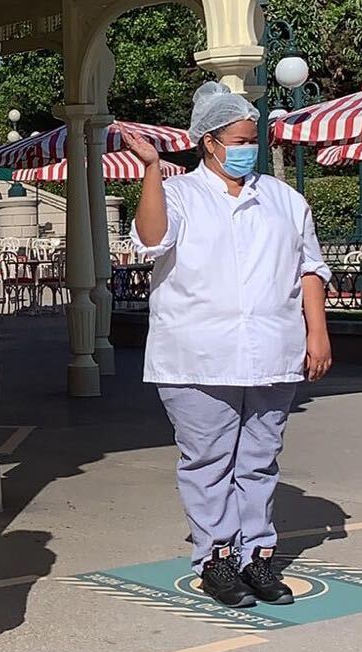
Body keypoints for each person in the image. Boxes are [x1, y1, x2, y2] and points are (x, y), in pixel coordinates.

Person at [124, 82, 333, 609]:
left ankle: (257, 556)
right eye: (237, 139)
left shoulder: (284, 198)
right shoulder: (179, 194)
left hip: (272, 352)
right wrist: (152, 169)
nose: (247, 149)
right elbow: (151, 240)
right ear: (208, 142)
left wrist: (317, 330)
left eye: (252, 138)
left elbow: (309, 266)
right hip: (197, 356)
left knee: (260, 459)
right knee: (208, 460)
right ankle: (216, 557)